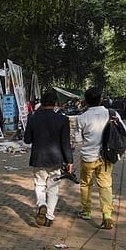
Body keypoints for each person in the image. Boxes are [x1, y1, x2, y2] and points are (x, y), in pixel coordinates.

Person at [75, 87, 126, 230]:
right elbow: (124, 130)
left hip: (88, 157)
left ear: (86, 101)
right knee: (105, 185)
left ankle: (86, 211)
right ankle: (107, 215)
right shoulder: (112, 113)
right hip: (106, 157)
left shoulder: (81, 118)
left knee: (86, 184)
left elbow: (78, 140)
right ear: (101, 99)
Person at [23, 91, 74, 227]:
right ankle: (49, 217)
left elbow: (27, 140)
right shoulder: (62, 119)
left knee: (40, 185)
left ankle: (41, 204)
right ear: (55, 103)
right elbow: (65, 143)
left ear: (42, 102)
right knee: (53, 188)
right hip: (56, 159)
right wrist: (69, 161)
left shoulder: (33, 118)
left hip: (38, 158)